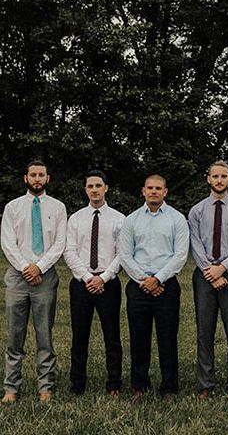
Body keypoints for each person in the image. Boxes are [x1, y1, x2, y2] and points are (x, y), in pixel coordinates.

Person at [1, 160, 67, 403]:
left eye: (41, 175)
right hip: (18, 277)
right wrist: (25, 267)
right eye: (33, 175)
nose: (37, 178)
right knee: (14, 335)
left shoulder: (58, 207)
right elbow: (8, 242)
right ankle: (11, 388)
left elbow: (60, 242)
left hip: (46, 277)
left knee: (44, 335)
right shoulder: (13, 207)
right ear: (25, 178)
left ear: (47, 179)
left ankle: (45, 387)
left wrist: (38, 267)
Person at [119, 174, 189, 400]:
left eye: (158, 188)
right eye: (150, 188)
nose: (154, 192)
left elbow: (180, 255)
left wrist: (158, 279)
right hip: (138, 286)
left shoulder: (177, 219)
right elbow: (125, 255)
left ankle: (169, 387)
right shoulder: (131, 220)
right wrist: (144, 280)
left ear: (165, 192)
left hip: (166, 286)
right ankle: (139, 385)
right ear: (143, 190)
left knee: (167, 338)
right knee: (139, 338)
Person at [188, 160, 228, 400]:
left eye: (223, 176)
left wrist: (222, 268)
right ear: (208, 179)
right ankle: (206, 383)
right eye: (215, 176)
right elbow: (195, 244)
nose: (219, 180)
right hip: (204, 276)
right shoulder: (196, 211)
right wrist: (209, 271)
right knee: (205, 331)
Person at [63, 169, 125, 396]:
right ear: (85, 189)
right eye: (90, 186)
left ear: (106, 188)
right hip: (82, 283)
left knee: (112, 335)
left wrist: (103, 277)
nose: (94, 190)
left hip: (108, 283)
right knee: (79, 335)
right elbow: (69, 251)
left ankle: (114, 384)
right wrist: (89, 278)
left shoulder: (119, 219)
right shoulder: (76, 218)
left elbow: (122, 253)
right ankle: (77, 384)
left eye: (98, 185)